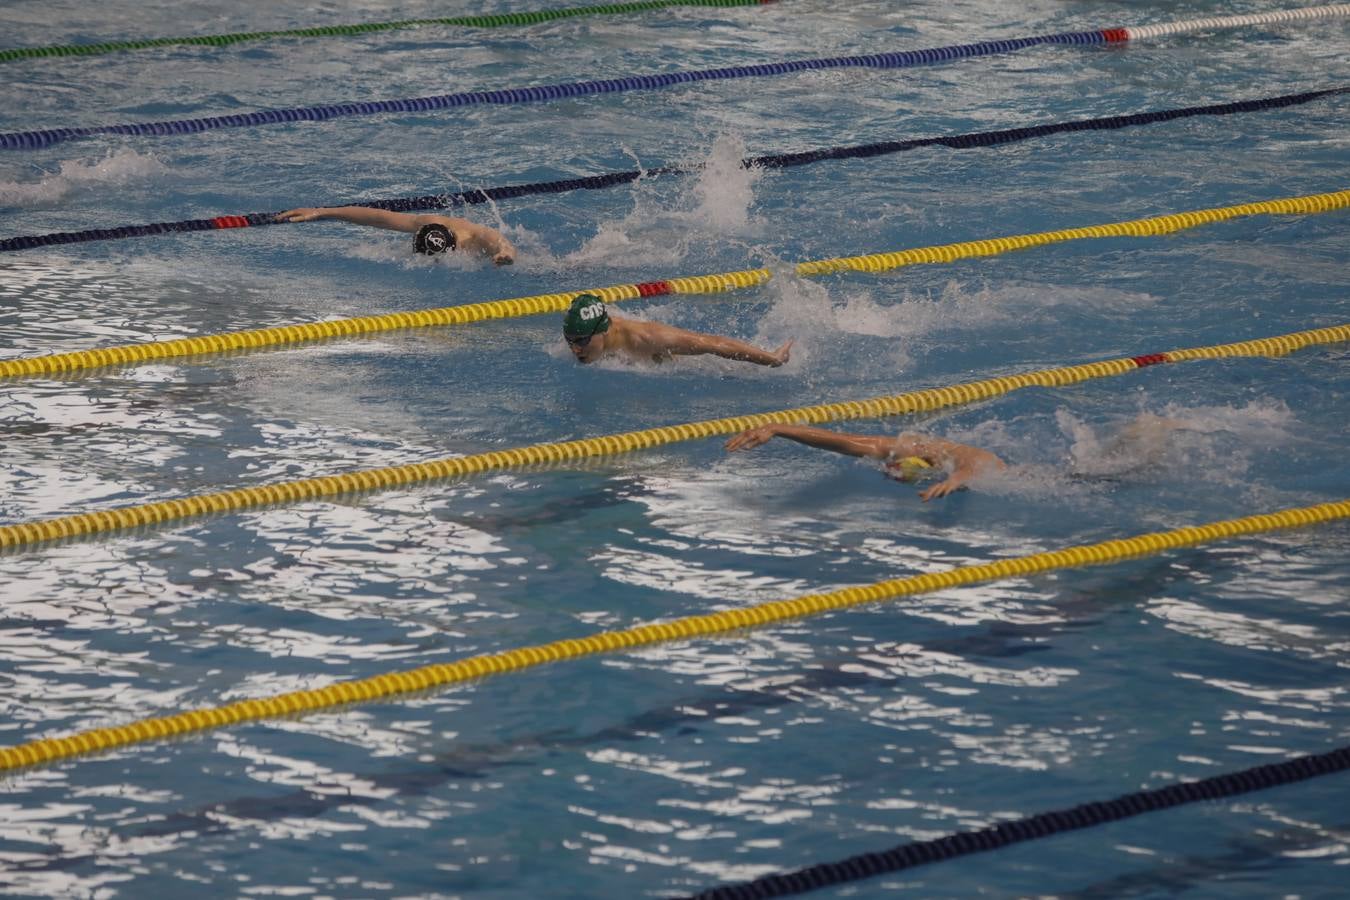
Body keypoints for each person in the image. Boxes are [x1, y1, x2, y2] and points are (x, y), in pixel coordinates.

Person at [724, 422, 1006, 502]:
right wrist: (778, 429)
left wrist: (953, 481)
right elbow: (844, 441)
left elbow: (974, 468)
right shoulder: (909, 448)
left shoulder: (960, 453)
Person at [562, 293, 792, 367]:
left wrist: (771, 358)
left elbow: (712, 343)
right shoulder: (589, 338)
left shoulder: (647, 338)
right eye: (570, 340)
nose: (574, 348)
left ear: (602, 332)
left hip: (698, 365)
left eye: (581, 341)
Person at [275, 206, 516, 265]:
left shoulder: (476, 237)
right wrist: (323, 212)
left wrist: (505, 254)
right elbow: (379, 217)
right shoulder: (431, 222)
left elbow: (502, 243)